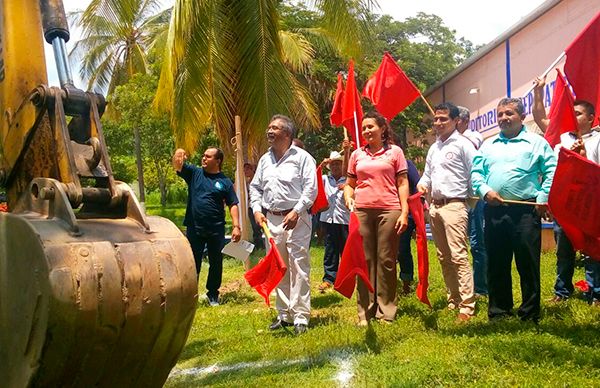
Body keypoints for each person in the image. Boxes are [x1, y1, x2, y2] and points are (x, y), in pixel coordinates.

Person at [472, 97, 556, 323]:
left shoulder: (536, 142)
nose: (503, 118)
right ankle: (499, 311)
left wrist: (543, 197)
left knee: (527, 263)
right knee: (497, 262)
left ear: (522, 116)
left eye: (509, 113)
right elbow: (476, 174)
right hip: (494, 210)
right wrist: (485, 190)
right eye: (500, 114)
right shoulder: (488, 144)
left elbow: (551, 169)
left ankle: (529, 313)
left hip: (526, 212)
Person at [532, 77, 600, 305]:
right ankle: (562, 291)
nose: (573, 116)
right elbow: (541, 119)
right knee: (564, 250)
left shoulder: (598, 139)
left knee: (593, 249)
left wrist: (583, 157)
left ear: (590, 118)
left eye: (578, 114)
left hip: (590, 205)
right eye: (571, 112)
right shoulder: (561, 139)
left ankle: (595, 292)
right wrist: (538, 92)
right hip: (566, 205)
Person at [249, 114, 317, 335]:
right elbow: (255, 188)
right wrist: (257, 210)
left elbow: (310, 189)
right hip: (272, 220)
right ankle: (284, 315)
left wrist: (297, 211)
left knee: (299, 267)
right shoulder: (264, 160)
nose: (269, 131)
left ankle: (301, 317)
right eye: (269, 127)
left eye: (275, 128)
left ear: (287, 134)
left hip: (297, 219)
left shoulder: (303, 158)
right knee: (278, 266)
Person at [344, 111, 409, 325]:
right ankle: (365, 312)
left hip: (389, 210)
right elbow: (350, 183)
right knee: (364, 262)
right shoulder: (356, 155)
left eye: (370, 126)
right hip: (362, 210)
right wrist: (348, 197)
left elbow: (402, 183)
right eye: (363, 128)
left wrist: (405, 210)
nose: (366, 131)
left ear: (382, 128)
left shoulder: (395, 152)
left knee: (387, 260)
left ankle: (386, 311)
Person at [417, 102, 478, 322]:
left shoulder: (464, 145)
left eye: (444, 119)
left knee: (459, 256)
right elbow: (427, 175)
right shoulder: (434, 148)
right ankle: (452, 299)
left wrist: (470, 201)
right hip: (435, 207)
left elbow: (475, 173)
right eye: (436, 119)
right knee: (443, 257)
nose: (438, 123)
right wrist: (422, 185)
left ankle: (467, 305)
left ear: (456, 121)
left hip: (455, 205)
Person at [172, 147, 241, 306]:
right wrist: (180, 152)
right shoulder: (195, 173)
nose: (203, 158)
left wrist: (236, 226)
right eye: (203, 156)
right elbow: (178, 165)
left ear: (218, 161)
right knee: (192, 263)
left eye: (208, 157)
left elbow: (233, 204)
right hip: (194, 227)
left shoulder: (224, 182)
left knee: (216, 263)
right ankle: (190, 295)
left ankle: (213, 295)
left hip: (216, 228)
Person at [457, 106, 488, 297]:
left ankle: (481, 288)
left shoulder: (474, 137)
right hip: (458, 197)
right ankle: (461, 287)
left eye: (455, 120)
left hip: (475, 197)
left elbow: (471, 145)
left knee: (477, 243)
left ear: (465, 121)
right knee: (458, 245)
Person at [389, 133, 420, 295]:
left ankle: (407, 283)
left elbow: (416, 189)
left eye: (392, 144)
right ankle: (388, 284)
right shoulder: (382, 163)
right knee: (387, 251)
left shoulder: (407, 164)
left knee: (402, 250)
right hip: (386, 213)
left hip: (405, 215)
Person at [318, 151, 350, 293]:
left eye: (338, 163)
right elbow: (312, 181)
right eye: (333, 164)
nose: (336, 166)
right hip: (328, 219)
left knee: (346, 250)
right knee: (330, 250)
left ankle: (347, 278)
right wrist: (321, 165)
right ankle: (329, 278)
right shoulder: (325, 179)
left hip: (345, 220)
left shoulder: (348, 180)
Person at [243, 163, 264, 249]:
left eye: (248, 169)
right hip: (250, 207)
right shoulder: (245, 183)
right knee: (255, 227)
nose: (246, 171)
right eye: (244, 170)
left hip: (261, 206)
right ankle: (258, 244)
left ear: (252, 170)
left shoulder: (258, 181)